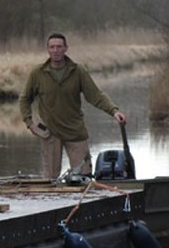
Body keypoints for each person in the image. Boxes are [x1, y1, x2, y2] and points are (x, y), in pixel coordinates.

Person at [18, 33, 126, 179]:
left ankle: (81, 201)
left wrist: (114, 111)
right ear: (47, 49)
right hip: (50, 133)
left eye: (59, 47)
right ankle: (53, 201)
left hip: (75, 131)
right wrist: (30, 123)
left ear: (66, 48)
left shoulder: (77, 71)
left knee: (83, 177)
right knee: (50, 179)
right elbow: (24, 99)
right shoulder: (38, 73)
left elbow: (95, 95)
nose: (56, 50)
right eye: (52, 47)